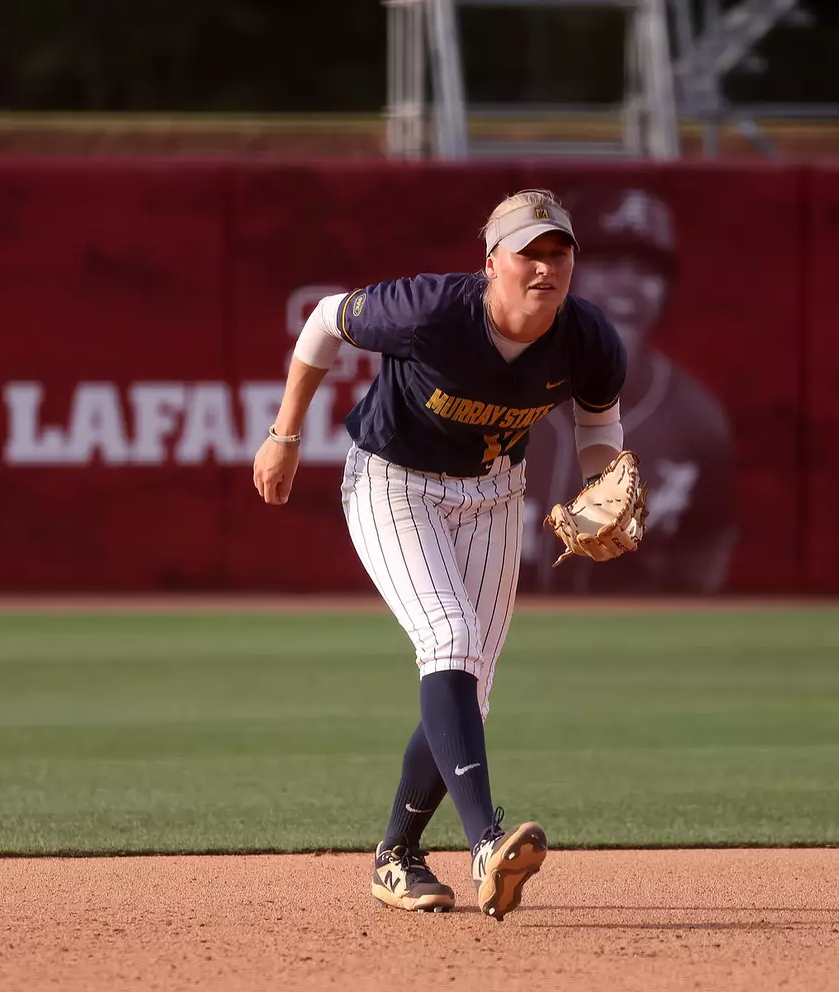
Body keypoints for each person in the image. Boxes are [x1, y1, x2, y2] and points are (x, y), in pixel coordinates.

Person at [251, 190, 631, 921]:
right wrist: (285, 434)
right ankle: (486, 843)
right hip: (393, 480)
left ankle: (396, 857)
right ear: (492, 262)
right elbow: (325, 320)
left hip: (495, 493)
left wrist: (600, 485)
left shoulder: (589, 338)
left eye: (559, 252)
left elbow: (597, 426)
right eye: (528, 252)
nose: (545, 267)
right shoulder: (429, 310)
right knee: (450, 638)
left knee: (470, 684)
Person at [522, 187, 737, 594]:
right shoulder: (485, 392)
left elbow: (709, 550)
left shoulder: (696, 421)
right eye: (606, 263)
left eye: (646, 270)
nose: (626, 286)